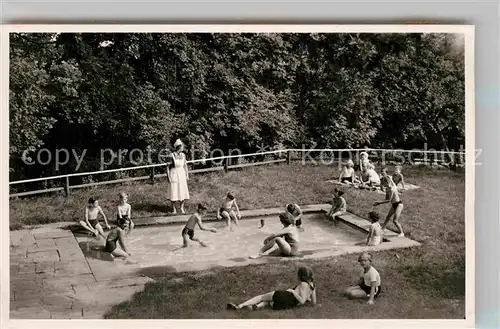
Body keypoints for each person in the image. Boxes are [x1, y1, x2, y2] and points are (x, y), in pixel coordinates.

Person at [226, 266, 317, 311]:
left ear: (301, 276)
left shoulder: (303, 284)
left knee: (262, 297)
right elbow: (313, 302)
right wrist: (308, 298)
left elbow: (302, 301)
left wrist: (293, 292)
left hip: (286, 296)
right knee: (268, 302)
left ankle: (240, 306)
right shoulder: (312, 286)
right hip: (287, 305)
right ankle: (256, 307)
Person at [167, 139, 190, 214]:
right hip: (174, 173)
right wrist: (168, 177)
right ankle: (173, 209)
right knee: (174, 190)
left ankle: (182, 208)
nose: (183, 148)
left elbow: (185, 165)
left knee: (182, 190)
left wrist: (187, 175)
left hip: (182, 174)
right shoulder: (172, 155)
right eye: (182, 146)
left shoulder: (183, 155)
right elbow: (167, 167)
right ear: (178, 147)